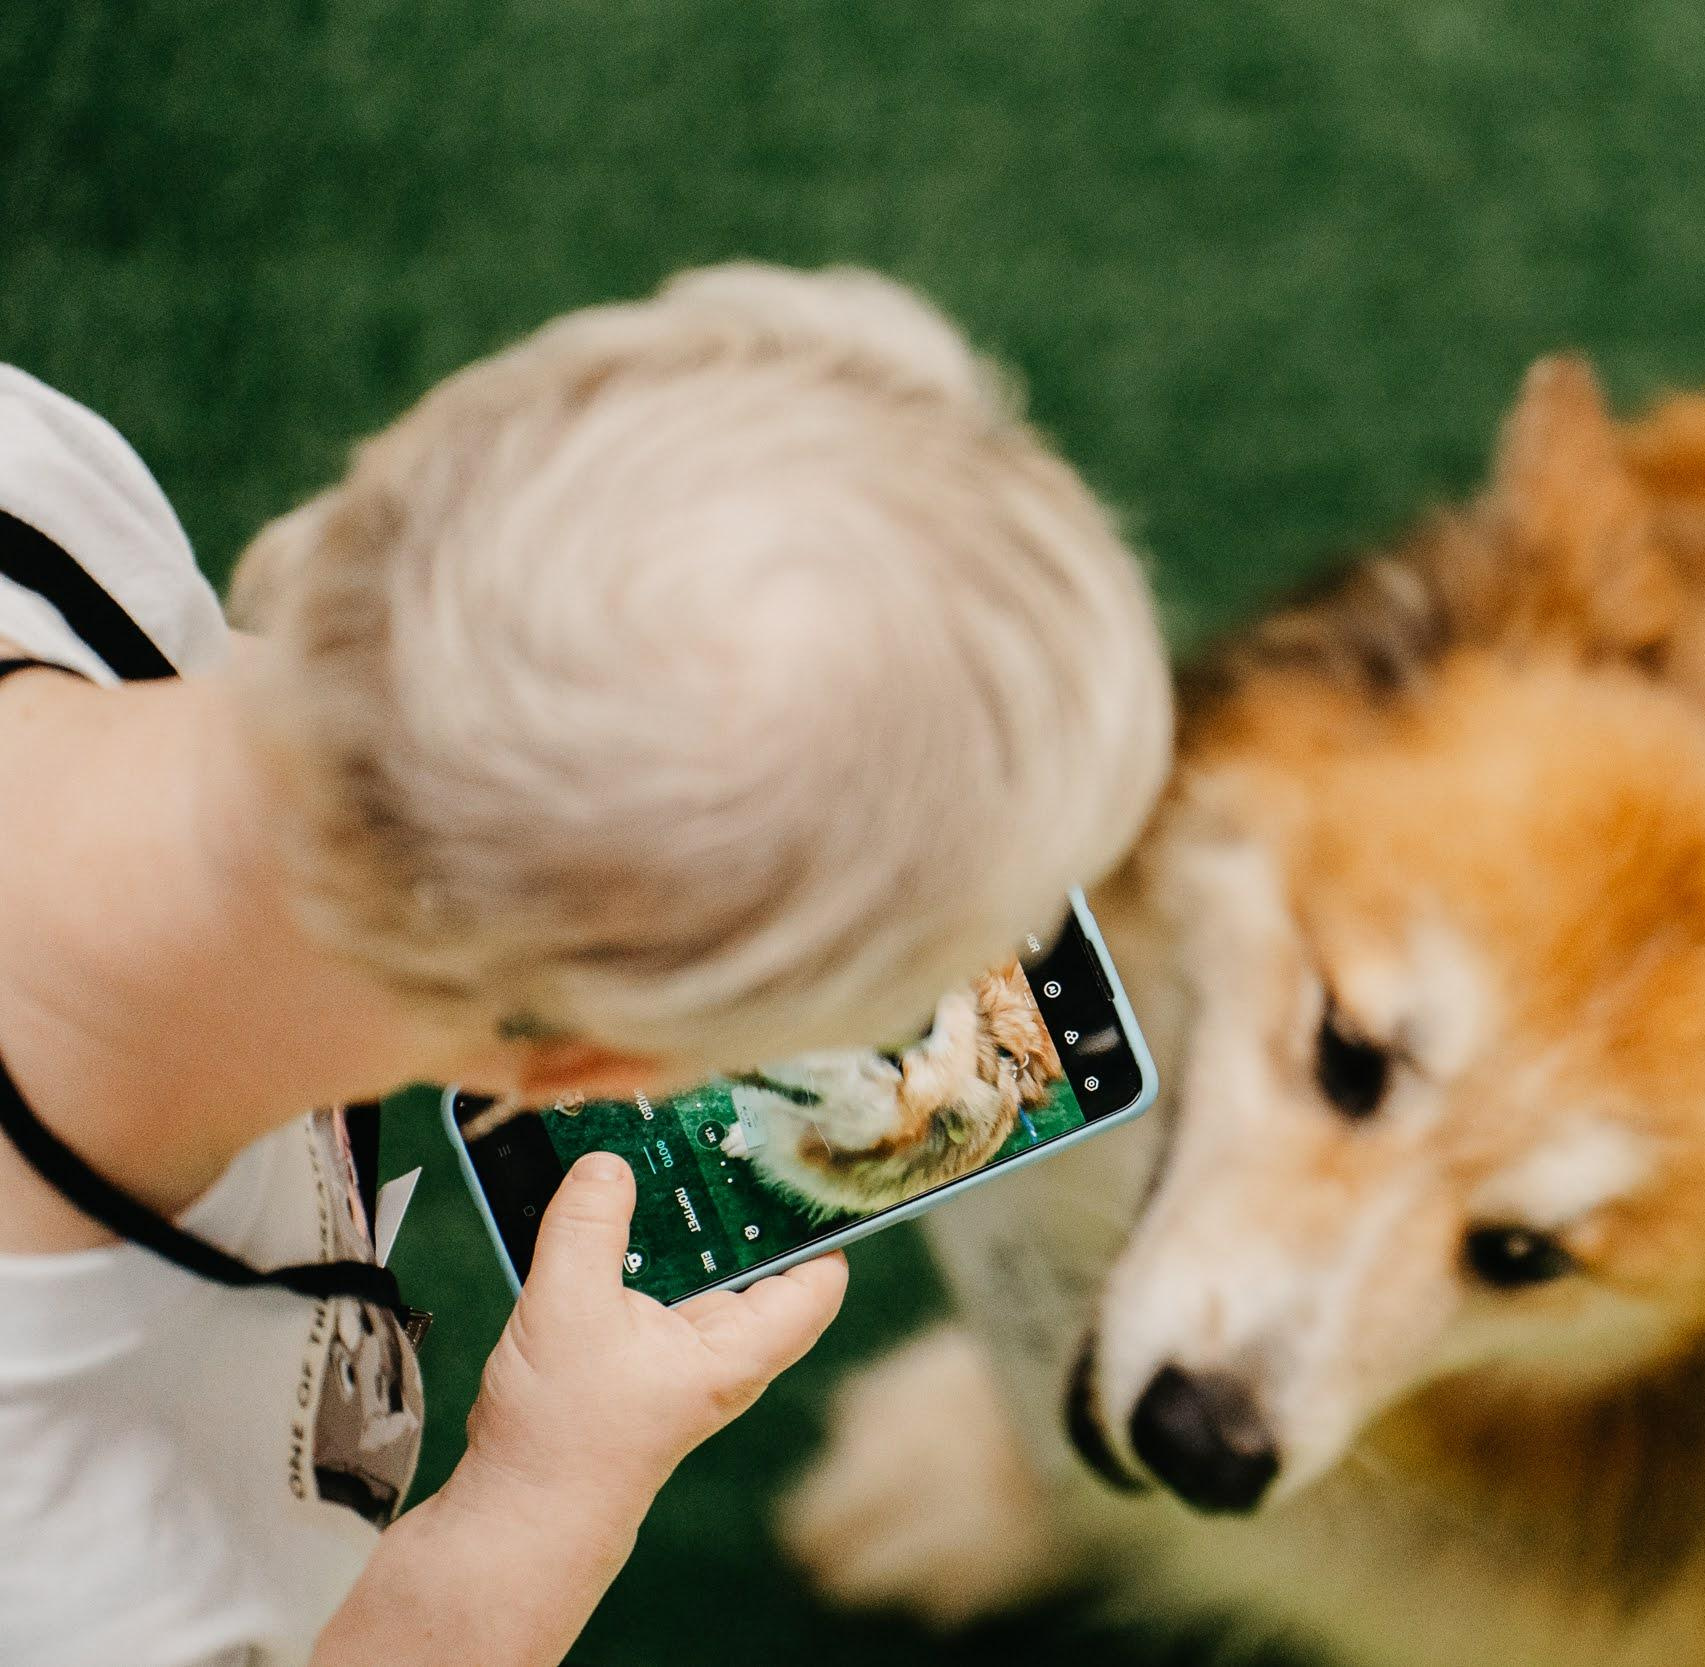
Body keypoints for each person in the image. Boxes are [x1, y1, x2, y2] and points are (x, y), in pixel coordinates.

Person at [0, 264, 1173, 1666]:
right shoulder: (88, 1574)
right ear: (585, 1069)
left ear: (372, 518)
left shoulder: (48, 485)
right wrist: (546, 1490)